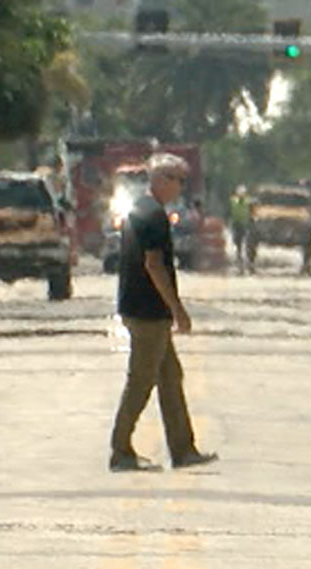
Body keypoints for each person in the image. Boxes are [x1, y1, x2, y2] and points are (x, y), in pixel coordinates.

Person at [109, 153, 217, 472]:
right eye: (178, 180)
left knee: (170, 377)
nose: (181, 187)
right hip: (148, 311)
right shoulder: (153, 215)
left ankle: (183, 449)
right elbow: (154, 265)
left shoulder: (142, 209)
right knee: (141, 382)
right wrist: (177, 308)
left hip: (143, 309)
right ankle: (120, 450)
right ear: (161, 180)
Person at [229, 185, 251, 270]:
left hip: (245, 224)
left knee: (246, 243)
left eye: (243, 193)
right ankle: (239, 259)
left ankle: (245, 260)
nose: (242, 195)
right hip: (236, 224)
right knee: (237, 243)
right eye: (240, 193)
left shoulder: (247, 201)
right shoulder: (234, 201)